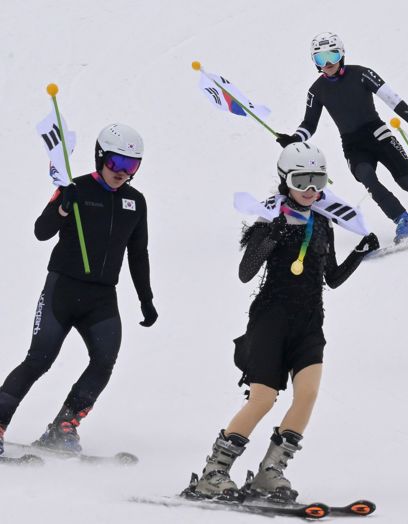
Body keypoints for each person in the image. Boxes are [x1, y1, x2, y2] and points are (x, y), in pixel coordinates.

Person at [189, 143, 379, 502]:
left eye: (318, 180)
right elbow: (246, 273)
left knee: (307, 396)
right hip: (271, 320)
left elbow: (332, 278)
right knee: (263, 398)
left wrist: (361, 251)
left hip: (309, 321)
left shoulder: (323, 222)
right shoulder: (270, 219)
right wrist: (273, 235)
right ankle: (214, 471)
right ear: (284, 180)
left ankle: (270, 472)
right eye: (302, 180)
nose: (311, 189)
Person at [0, 123, 157, 456]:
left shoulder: (135, 201)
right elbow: (41, 231)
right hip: (63, 290)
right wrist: (62, 207)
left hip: (101, 298)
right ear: (100, 156)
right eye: (116, 162)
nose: (122, 172)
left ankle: (63, 427)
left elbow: (137, 253)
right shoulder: (74, 188)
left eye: (131, 166)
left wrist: (146, 298)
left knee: (104, 361)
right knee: (39, 360)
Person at [275, 32, 408, 243]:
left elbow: (392, 99)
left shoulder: (362, 74)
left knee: (406, 180)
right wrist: (294, 139)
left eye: (332, 55)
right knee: (368, 177)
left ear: (342, 55)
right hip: (353, 145)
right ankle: (404, 221)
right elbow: (309, 124)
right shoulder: (316, 91)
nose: (328, 62)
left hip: (378, 135)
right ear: (314, 62)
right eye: (320, 58)